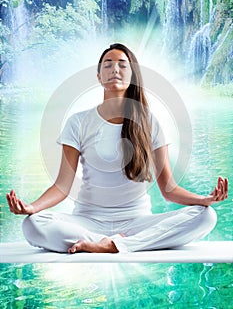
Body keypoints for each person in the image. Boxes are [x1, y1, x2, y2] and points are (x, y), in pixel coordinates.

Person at [6, 43, 228, 254]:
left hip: (136, 222)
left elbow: (168, 189)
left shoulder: (150, 122)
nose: (115, 69)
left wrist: (203, 199)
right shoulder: (78, 121)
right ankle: (110, 242)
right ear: (98, 76)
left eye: (123, 64)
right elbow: (63, 186)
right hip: (87, 221)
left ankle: (117, 244)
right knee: (33, 225)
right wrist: (32, 207)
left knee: (206, 216)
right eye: (108, 64)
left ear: (132, 76)